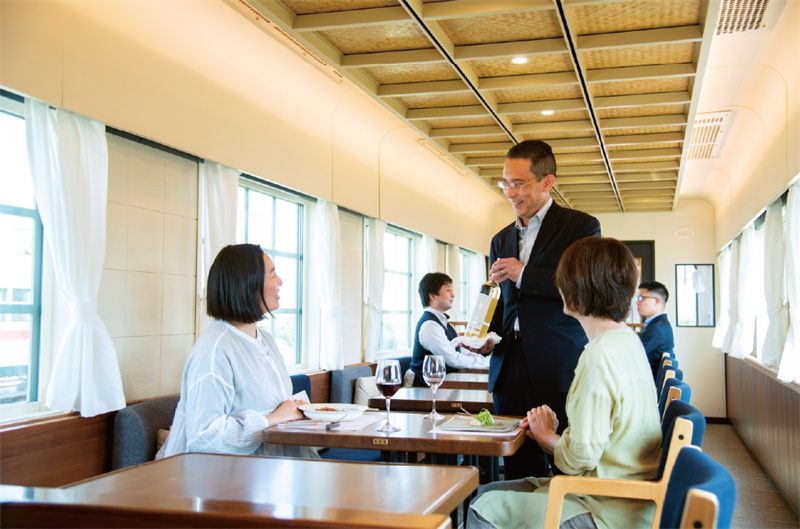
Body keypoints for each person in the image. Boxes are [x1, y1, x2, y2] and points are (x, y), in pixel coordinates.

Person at [468, 237, 662, 529]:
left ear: (577, 289)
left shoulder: (598, 356)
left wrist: (546, 436)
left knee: (481, 505)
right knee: (489, 491)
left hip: (604, 506)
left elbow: (579, 458)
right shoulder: (627, 341)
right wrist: (553, 432)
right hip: (631, 498)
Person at [487, 139, 601, 479]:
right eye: (505, 182)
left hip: (556, 365)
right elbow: (504, 302)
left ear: (547, 182)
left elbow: (583, 287)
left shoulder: (581, 227)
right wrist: (488, 337)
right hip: (508, 367)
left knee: (564, 462)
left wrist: (524, 273)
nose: (510, 192)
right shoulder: (500, 239)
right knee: (517, 464)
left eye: (518, 183)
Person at [158, 244, 317, 459]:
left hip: (269, 470)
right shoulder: (214, 350)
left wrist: (292, 409)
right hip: (222, 480)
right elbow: (204, 437)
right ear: (248, 284)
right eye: (272, 275)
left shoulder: (265, 340)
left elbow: (273, 406)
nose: (280, 282)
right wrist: (271, 419)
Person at [410, 272, 490, 386]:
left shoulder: (446, 324)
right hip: (428, 389)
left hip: (445, 385)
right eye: (448, 290)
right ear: (432, 295)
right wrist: (487, 363)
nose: (453, 295)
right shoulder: (430, 325)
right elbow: (452, 358)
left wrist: (485, 361)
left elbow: (459, 350)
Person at [636, 281, 675, 378]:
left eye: (641, 298)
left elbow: (634, 353)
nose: (637, 302)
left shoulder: (657, 328)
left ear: (657, 301)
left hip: (646, 383)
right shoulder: (658, 324)